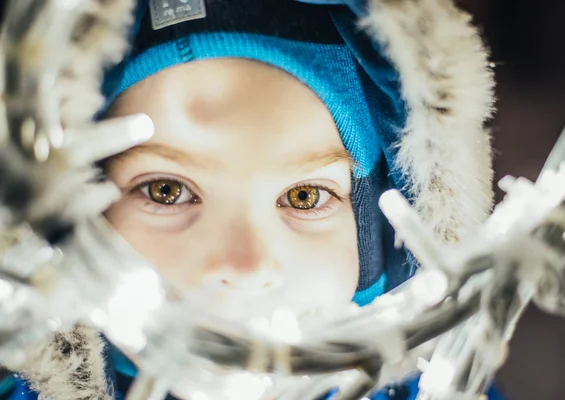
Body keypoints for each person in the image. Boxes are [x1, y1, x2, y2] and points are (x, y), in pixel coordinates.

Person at [0, 0, 499, 399]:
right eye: (166, 190)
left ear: (385, 236)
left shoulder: (446, 387)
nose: (243, 265)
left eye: (304, 196)